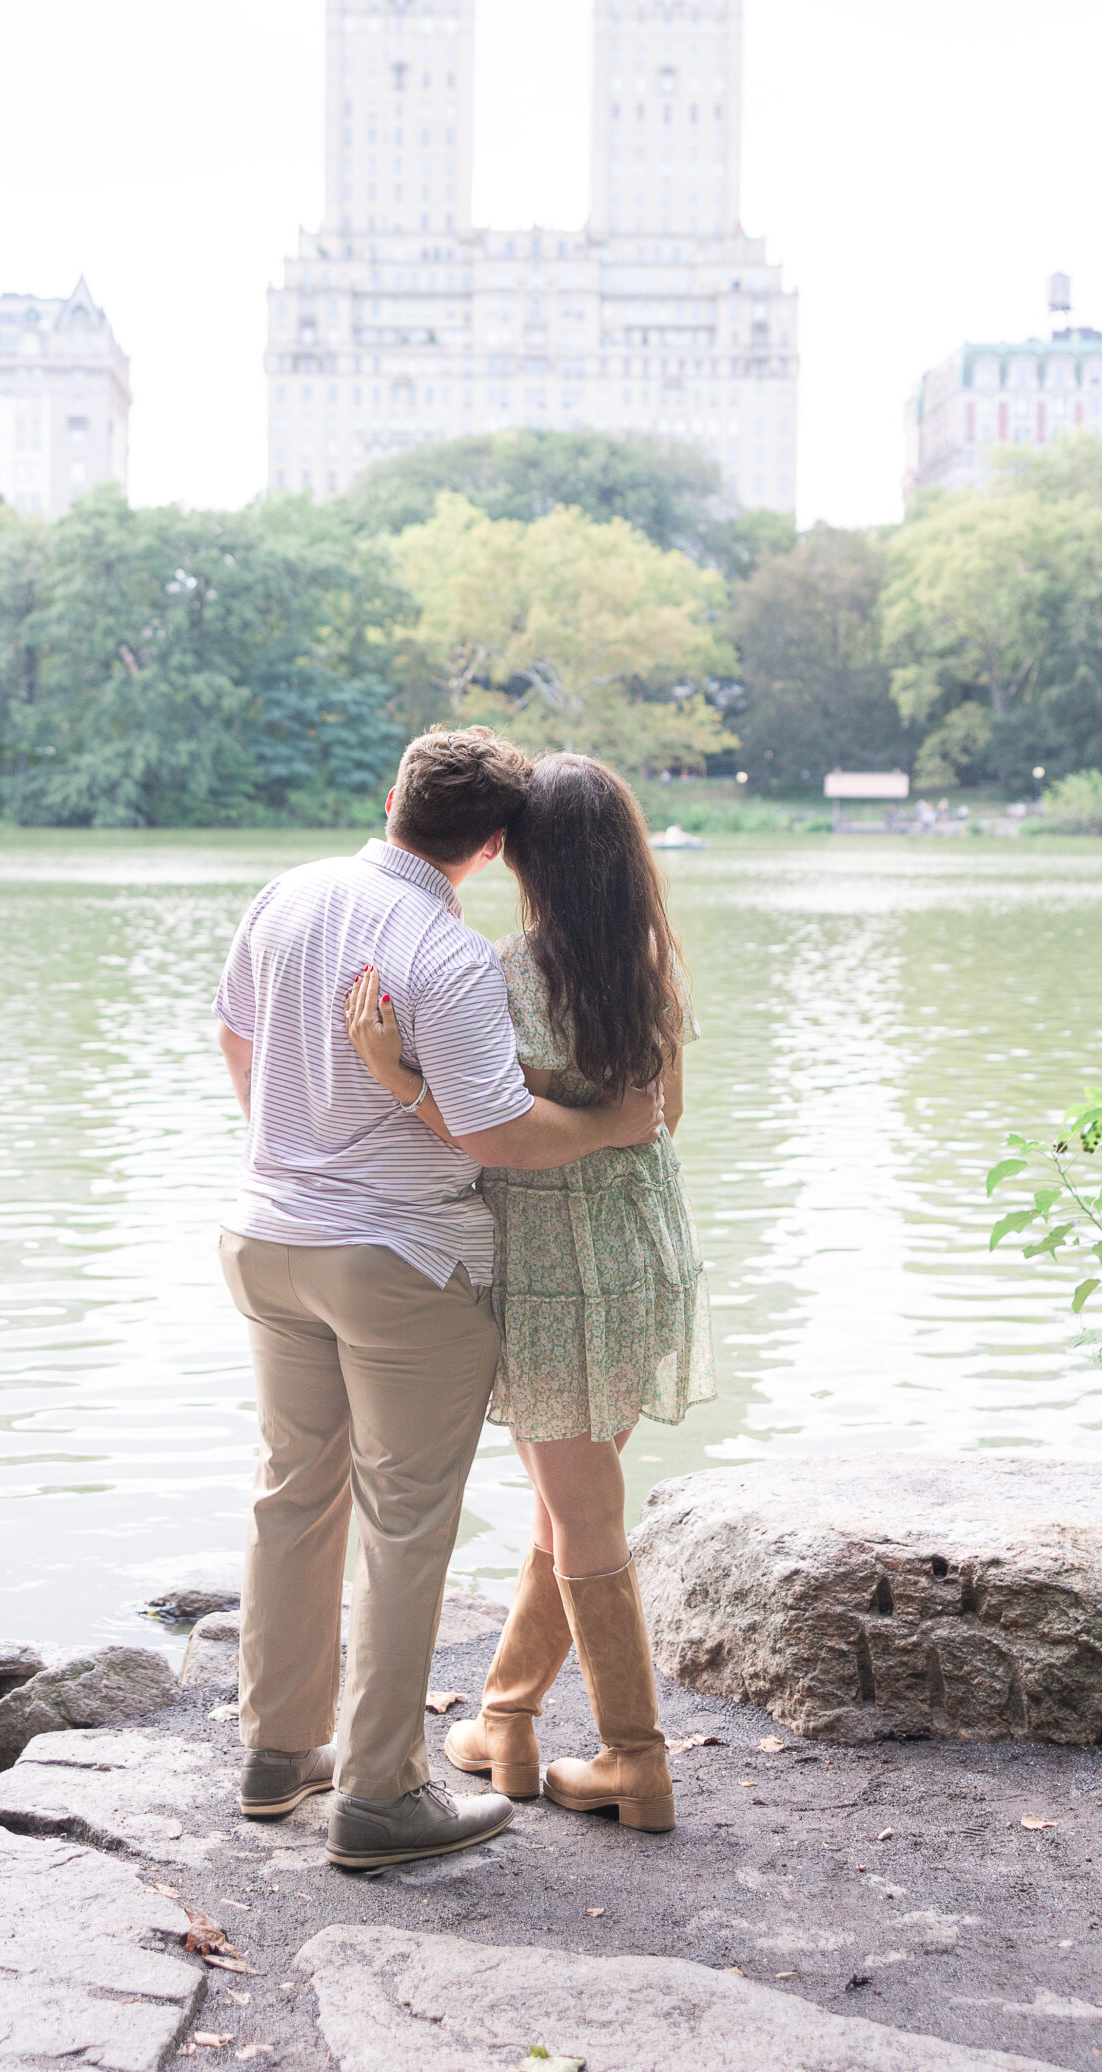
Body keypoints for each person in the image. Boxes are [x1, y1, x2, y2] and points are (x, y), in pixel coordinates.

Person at [213, 727, 664, 1873]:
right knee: (406, 1523)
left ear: (392, 797)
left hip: (265, 1233)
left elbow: (236, 1038)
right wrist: (618, 1122)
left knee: (290, 1494)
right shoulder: (449, 954)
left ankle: (276, 1755)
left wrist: (295, 1146)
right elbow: (499, 1133)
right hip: (398, 1263)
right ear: (490, 847)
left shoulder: (290, 890)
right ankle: (379, 1796)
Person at [344, 749, 714, 1836]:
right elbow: (663, 1120)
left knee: (583, 1511)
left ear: (524, 859)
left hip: (554, 1277)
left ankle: (634, 1761)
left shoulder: (503, 978)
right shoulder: (652, 973)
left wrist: (392, 1075)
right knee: (571, 1500)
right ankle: (504, 1722)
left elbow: (487, 1134)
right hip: (644, 1255)